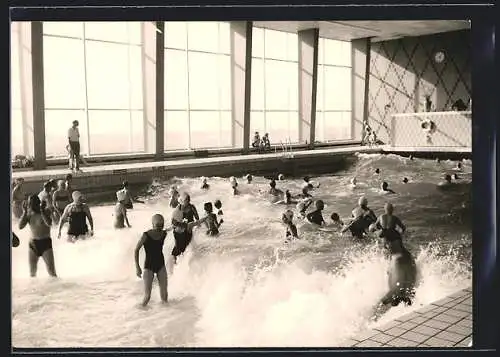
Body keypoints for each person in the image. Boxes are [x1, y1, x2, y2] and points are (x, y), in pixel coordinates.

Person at [372, 240, 417, 320]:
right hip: (405, 295)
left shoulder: (400, 259)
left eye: (387, 244)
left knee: (377, 309)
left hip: (402, 295)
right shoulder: (403, 255)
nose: (386, 247)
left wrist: (382, 302)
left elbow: (399, 286)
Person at [134, 214, 171, 307]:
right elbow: (136, 249)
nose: (160, 226)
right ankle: (138, 313)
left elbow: (169, 229)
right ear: (153, 224)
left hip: (160, 265)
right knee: (147, 297)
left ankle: (165, 317)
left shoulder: (163, 233)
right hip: (149, 266)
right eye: (158, 224)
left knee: (164, 297)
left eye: (161, 224)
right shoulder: (146, 235)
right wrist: (137, 267)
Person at [18, 195, 57, 277]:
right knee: (32, 273)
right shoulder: (29, 213)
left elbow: (49, 223)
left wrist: (42, 211)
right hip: (33, 244)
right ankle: (33, 289)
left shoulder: (46, 211)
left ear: (39, 203)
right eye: (31, 204)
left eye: (35, 204)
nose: (32, 206)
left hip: (45, 243)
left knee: (51, 272)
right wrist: (24, 212)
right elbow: (20, 226)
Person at [170, 193, 201, 265]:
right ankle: (175, 261)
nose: (189, 201)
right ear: (182, 201)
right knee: (177, 246)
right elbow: (173, 221)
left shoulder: (192, 207)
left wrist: (198, 224)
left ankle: (184, 260)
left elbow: (196, 217)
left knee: (187, 244)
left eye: (189, 199)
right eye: (187, 199)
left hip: (188, 229)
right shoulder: (178, 208)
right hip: (179, 230)